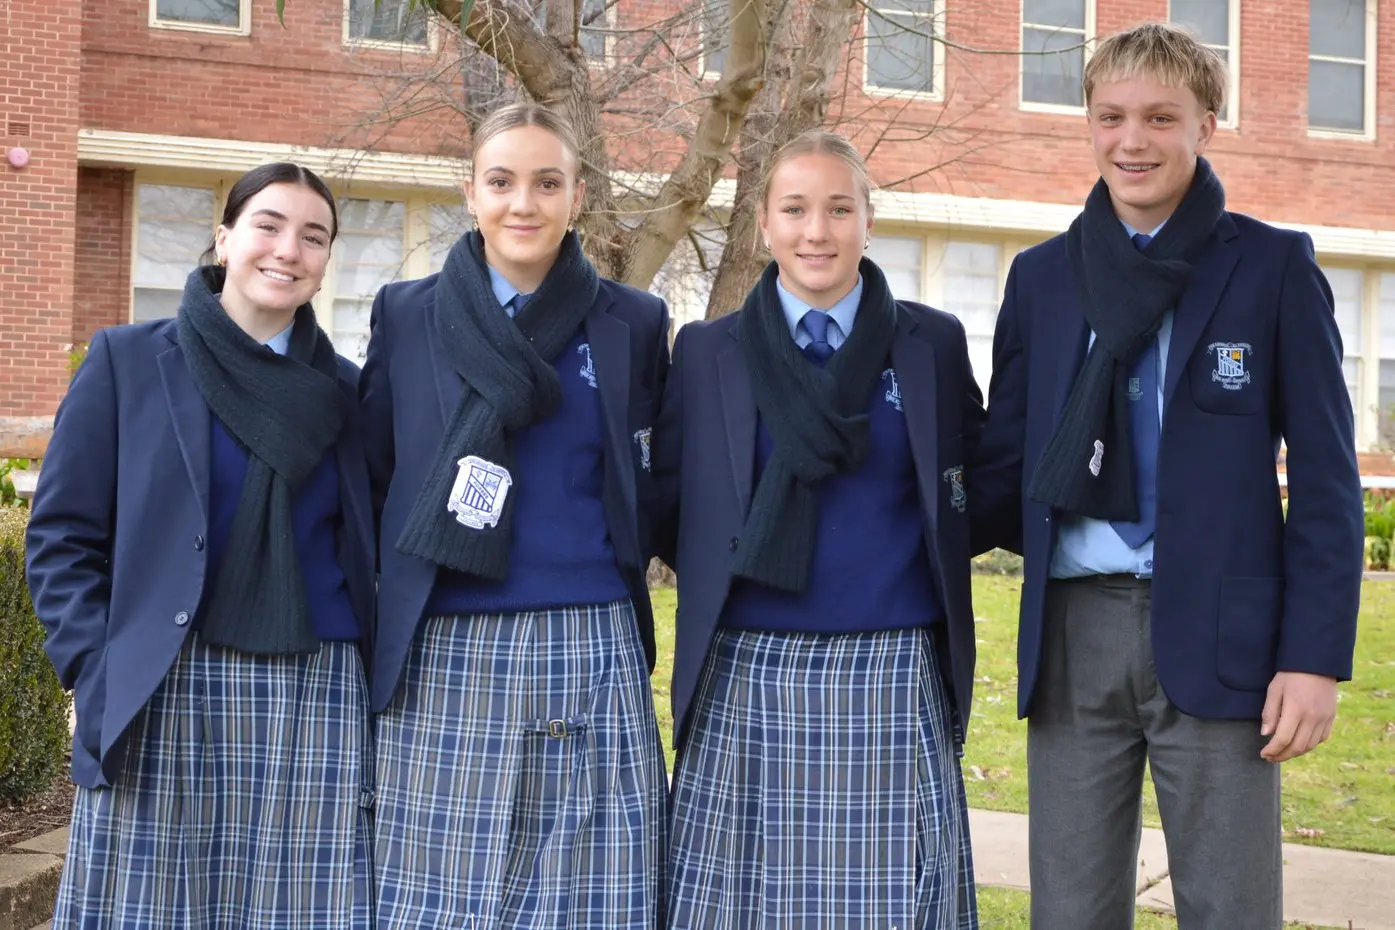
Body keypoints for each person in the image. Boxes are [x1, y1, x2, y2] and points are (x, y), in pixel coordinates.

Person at [972, 22, 1365, 929]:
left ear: (1206, 124)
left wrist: (1312, 658)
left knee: (1230, 907)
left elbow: (1325, 477)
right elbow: (999, 464)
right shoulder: (1041, 279)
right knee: (1068, 910)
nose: (1131, 140)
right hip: (1073, 632)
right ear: (1088, 124)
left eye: (1159, 117)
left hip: (1223, 635)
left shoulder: (1269, 267)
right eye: (1110, 116)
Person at [27, 162, 378, 928]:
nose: (289, 249)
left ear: (325, 261)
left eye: (313, 237)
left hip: (317, 688)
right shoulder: (128, 361)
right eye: (268, 225)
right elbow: (61, 537)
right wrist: (93, 669)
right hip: (165, 683)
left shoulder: (352, 395)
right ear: (224, 238)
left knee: (301, 909)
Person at [653, 130, 982, 928]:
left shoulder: (929, 343)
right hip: (746, 663)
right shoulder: (706, 351)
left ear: (868, 221)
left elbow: (976, 487)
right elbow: (665, 499)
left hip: (890, 667)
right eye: (794, 209)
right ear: (764, 223)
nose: (816, 231)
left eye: (839, 209)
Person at [363, 102, 671, 929]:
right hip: (443, 640)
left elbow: (651, 479)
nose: (522, 204)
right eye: (500, 182)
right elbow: (372, 474)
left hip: (588, 637)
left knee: (589, 896)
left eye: (546, 182)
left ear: (577, 195)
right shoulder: (405, 312)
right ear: (471, 192)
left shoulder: (633, 322)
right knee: (436, 898)